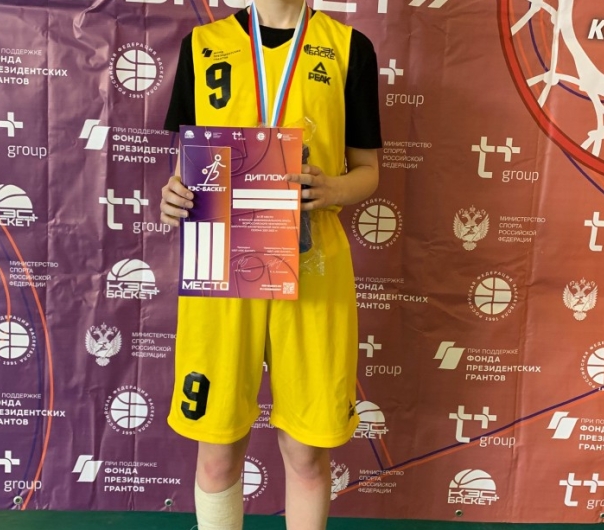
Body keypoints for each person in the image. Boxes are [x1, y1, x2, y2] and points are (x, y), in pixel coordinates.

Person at [160, 1, 382, 528]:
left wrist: (334, 189)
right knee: (217, 448)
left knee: (306, 452)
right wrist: (174, 195)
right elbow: (187, 164)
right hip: (220, 254)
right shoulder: (203, 45)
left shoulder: (349, 48)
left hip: (311, 260)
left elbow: (368, 171)